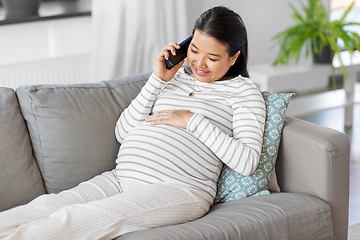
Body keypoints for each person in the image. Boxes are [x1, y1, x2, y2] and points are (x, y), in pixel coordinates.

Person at [0, 6, 265, 240]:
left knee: (73, 219)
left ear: (234, 58)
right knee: (45, 208)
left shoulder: (243, 92)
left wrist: (193, 121)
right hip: (121, 177)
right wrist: (158, 80)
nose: (199, 63)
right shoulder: (175, 76)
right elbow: (123, 131)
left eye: (213, 57)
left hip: (178, 189)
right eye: (194, 50)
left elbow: (247, 161)